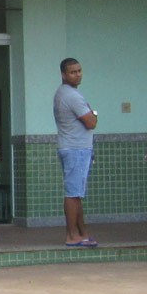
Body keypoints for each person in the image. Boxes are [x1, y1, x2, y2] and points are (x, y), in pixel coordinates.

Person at [52, 57, 99, 247]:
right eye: (73, 72)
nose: (77, 74)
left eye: (79, 70)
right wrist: (93, 113)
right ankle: (72, 235)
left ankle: (82, 233)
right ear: (64, 74)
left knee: (77, 193)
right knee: (73, 193)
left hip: (74, 147)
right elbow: (91, 122)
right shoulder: (71, 96)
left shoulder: (66, 93)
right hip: (75, 148)